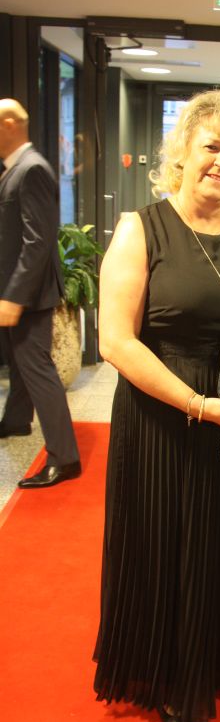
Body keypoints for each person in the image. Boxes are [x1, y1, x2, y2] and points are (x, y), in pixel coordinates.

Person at [93, 90, 220, 722]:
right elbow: (115, 342)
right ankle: (168, 675)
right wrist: (200, 405)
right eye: (212, 147)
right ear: (182, 151)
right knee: (167, 546)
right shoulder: (141, 228)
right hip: (163, 419)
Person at [0, 98, 81, 488]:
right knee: (20, 363)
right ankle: (16, 420)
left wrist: (15, 296)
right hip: (17, 289)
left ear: (9, 124)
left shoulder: (31, 169)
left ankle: (65, 458)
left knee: (37, 369)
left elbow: (39, 241)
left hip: (29, 294)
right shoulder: (15, 168)